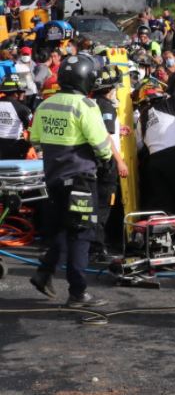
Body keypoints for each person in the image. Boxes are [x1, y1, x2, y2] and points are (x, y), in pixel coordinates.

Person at [28, 54, 112, 307]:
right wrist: (106, 156)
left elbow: (35, 140)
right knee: (82, 234)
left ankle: (44, 273)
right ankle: (78, 292)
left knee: (64, 229)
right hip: (81, 180)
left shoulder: (45, 105)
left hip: (53, 179)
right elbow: (102, 147)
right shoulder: (85, 106)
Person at [135, 79, 175, 217]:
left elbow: (139, 145)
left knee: (163, 204)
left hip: (154, 162)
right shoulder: (164, 105)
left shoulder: (141, 119)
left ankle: (164, 235)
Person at [89, 63, 129, 260]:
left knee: (95, 205)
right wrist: (120, 161)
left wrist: (118, 130)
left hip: (92, 162)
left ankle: (93, 245)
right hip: (106, 163)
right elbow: (104, 135)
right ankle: (97, 248)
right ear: (111, 88)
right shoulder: (106, 106)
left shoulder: (91, 103)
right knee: (103, 206)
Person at [0, 74, 33, 159]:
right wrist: (28, 146)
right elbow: (32, 129)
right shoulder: (22, 109)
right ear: (16, 93)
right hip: (14, 148)